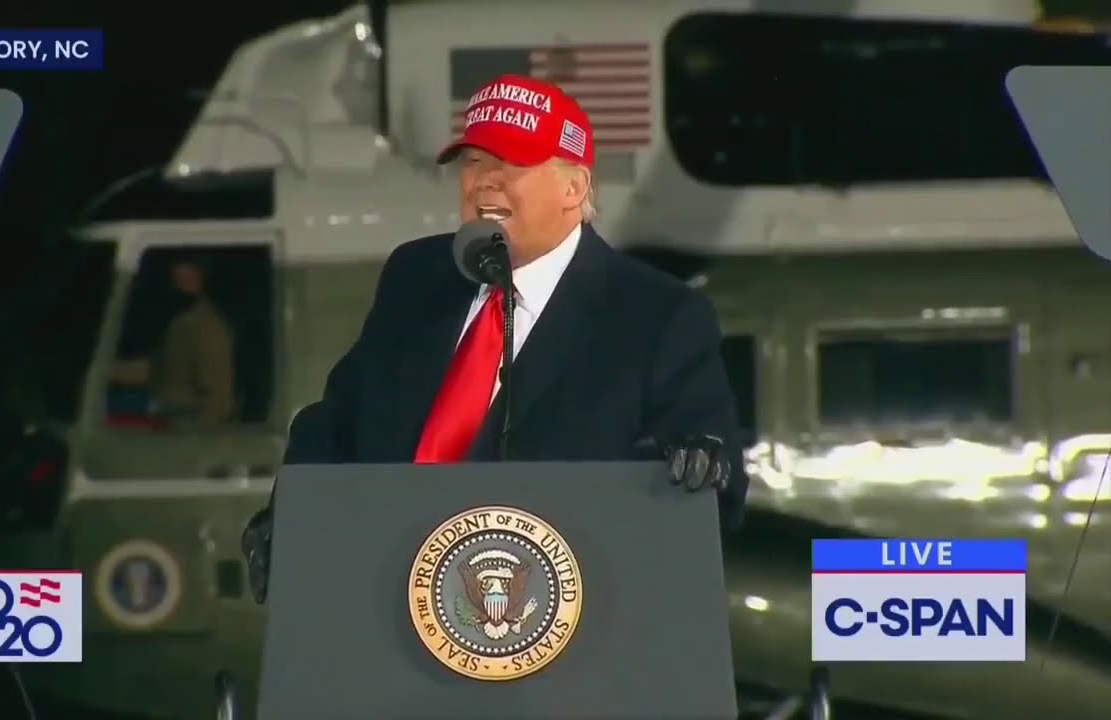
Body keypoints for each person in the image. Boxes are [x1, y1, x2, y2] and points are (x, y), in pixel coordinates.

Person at [243, 74, 749, 602]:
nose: (485, 182)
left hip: (566, 631)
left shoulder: (655, 314)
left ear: (573, 188)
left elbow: (712, 467)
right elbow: (337, 420)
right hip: (391, 608)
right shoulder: (417, 276)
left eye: (512, 163)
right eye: (475, 162)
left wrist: (705, 463)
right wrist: (291, 515)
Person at [110, 255, 236, 427]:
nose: (180, 284)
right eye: (176, 278)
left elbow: (219, 400)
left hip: (184, 433)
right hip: (165, 424)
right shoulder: (177, 323)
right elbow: (157, 367)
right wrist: (106, 372)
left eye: (188, 278)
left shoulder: (208, 328)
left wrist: (193, 440)